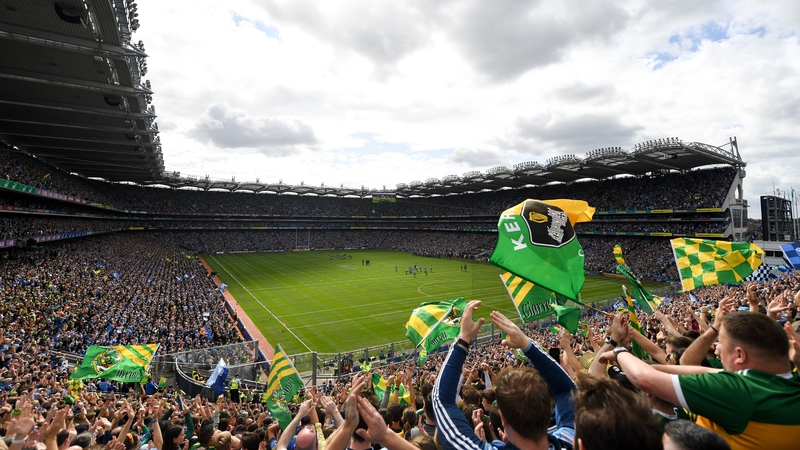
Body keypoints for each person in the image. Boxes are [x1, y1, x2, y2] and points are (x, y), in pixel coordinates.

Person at [598, 311, 800, 449]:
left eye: (722, 345)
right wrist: (643, 362)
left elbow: (644, 379)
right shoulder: (790, 378)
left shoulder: (741, 392)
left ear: (739, 355)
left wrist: (618, 351)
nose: (718, 350)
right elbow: (703, 372)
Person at [432, 301, 575, 450]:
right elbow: (568, 390)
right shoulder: (570, 441)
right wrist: (527, 345)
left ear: (503, 419)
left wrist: (463, 339)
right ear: (549, 409)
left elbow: (440, 398)